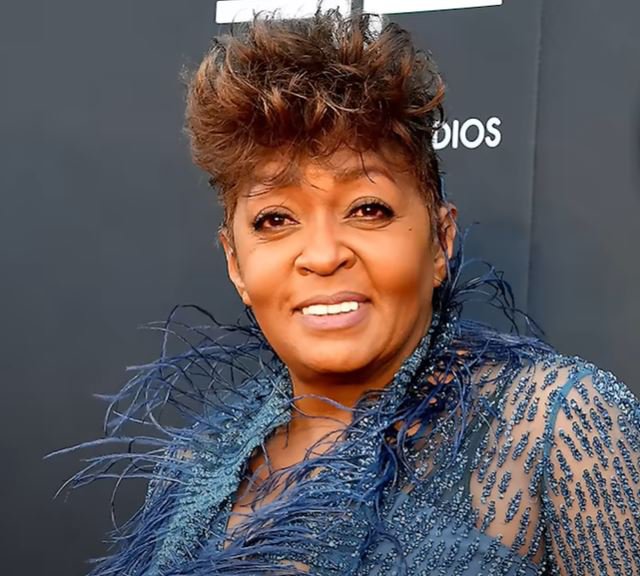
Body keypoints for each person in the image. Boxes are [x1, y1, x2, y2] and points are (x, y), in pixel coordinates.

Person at [51, 8, 640, 576]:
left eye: (368, 209)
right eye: (275, 220)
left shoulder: (559, 426)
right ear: (235, 263)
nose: (323, 254)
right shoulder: (193, 464)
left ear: (441, 240)